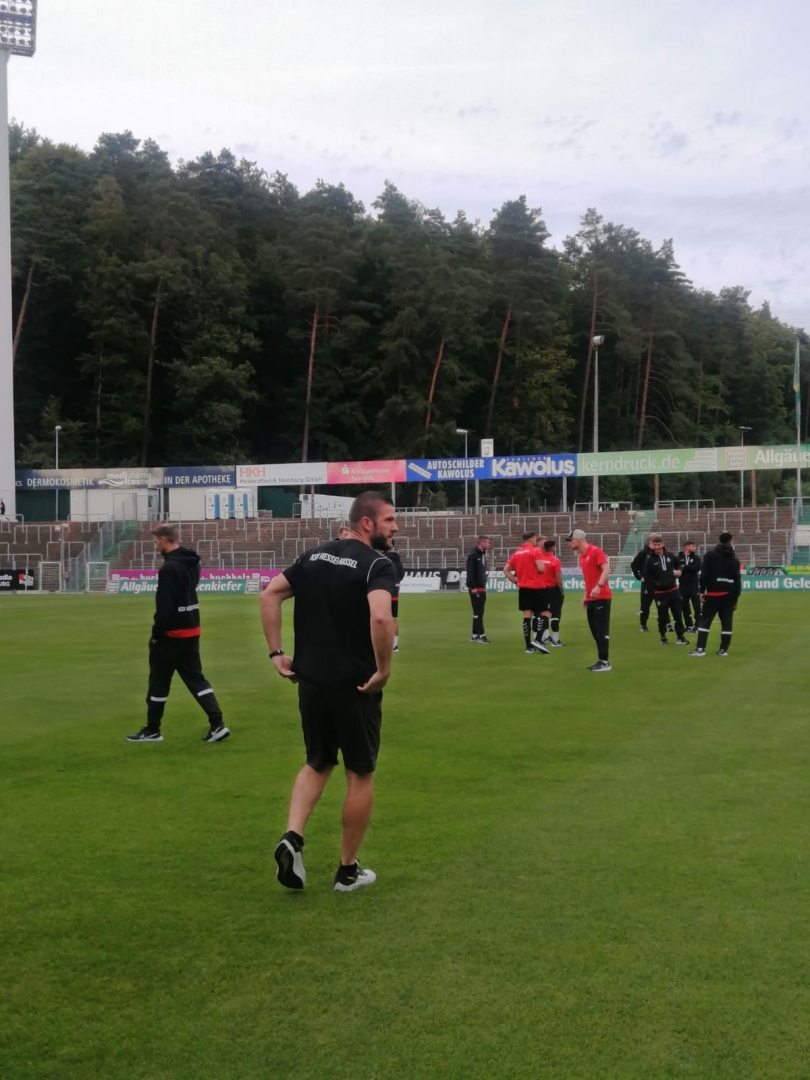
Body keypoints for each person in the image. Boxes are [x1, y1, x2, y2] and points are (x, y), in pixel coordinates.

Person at [260, 490, 397, 893]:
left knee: (317, 761)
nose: (395, 528)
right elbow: (380, 617)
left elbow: (270, 594)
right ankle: (347, 871)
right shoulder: (377, 564)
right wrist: (383, 670)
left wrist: (276, 653)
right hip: (355, 686)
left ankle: (293, 836)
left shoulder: (313, 556)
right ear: (367, 523)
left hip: (311, 682)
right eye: (390, 520)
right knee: (360, 773)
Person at [127, 524, 228, 744]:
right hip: (192, 629)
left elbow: (165, 607)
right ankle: (218, 723)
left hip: (171, 635)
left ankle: (152, 729)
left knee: (159, 682)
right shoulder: (192, 563)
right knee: (196, 679)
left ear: (164, 539)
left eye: (156, 541)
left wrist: (156, 634)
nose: (156, 546)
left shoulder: (169, 569)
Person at [689, 531, 741, 658]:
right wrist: (735, 598)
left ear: (719, 540)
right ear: (731, 541)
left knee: (705, 621)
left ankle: (700, 649)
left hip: (713, 593)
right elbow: (737, 579)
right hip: (729, 594)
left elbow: (704, 573)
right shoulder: (734, 558)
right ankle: (723, 650)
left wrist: (702, 590)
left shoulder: (710, 555)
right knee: (727, 623)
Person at [566, 528, 612, 672]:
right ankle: (601, 660)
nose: (569, 544)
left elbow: (606, 569)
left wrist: (599, 586)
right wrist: (585, 595)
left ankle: (605, 662)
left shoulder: (595, 551)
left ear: (578, 539)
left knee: (602, 629)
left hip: (602, 596)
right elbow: (588, 579)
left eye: (570, 540)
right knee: (595, 630)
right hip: (591, 597)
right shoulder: (582, 556)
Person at [503, 532, 550, 654]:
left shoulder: (517, 553)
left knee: (527, 615)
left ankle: (528, 646)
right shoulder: (535, 551)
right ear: (532, 539)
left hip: (523, 588)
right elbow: (541, 569)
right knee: (545, 612)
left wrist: (516, 581)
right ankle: (538, 639)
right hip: (537, 586)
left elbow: (506, 570)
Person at [642, 534, 689, 645]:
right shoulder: (649, 560)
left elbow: (679, 564)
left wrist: (680, 570)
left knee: (678, 615)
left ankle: (680, 636)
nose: (657, 547)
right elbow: (647, 576)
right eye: (655, 545)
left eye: (659, 544)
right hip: (660, 593)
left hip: (674, 591)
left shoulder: (670, 556)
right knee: (662, 616)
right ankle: (663, 636)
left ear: (663, 544)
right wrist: (657, 583)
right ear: (652, 545)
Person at [466, 535, 490, 643]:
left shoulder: (482, 554)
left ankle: (475, 635)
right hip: (476, 588)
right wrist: (472, 586)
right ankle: (481, 635)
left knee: (480, 612)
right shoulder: (473, 555)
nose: (488, 544)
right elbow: (470, 571)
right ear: (482, 543)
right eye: (487, 542)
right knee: (478, 612)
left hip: (481, 587)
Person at [542, 538, 566, 646]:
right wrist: (561, 591)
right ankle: (555, 640)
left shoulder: (540, 560)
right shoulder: (555, 561)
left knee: (543, 613)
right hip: (553, 589)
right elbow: (558, 578)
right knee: (555, 613)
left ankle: (543, 637)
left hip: (542, 589)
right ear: (552, 548)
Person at [631, 535, 655, 632]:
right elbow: (634, 565)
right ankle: (643, 625)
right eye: (654, 542)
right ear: (649, 542)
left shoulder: (660, 553)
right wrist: (639, 576)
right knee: (645, 605)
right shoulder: (643, 553)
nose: (656, 545)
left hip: (659, 584)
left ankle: (666, 624)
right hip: (647, 584)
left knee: (663, 605)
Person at [677, 540, 702, 632]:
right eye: (693, 546)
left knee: (697, 606)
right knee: (684, 606)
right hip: (683, 585)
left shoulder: (696, 558)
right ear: (686, 547)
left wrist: (684, 567)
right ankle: (689, 625)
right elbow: (677, 568)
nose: (695, 548)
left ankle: (698, 625)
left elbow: (697, 568)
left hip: (694, 585)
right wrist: (685, 567)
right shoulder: (678, 558)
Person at [386, 538, 406, 652]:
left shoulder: (384, 558)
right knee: (393, 618)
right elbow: (402, 574)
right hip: (395, 591)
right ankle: (394, 645)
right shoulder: (397, 559)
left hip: (386, 590)